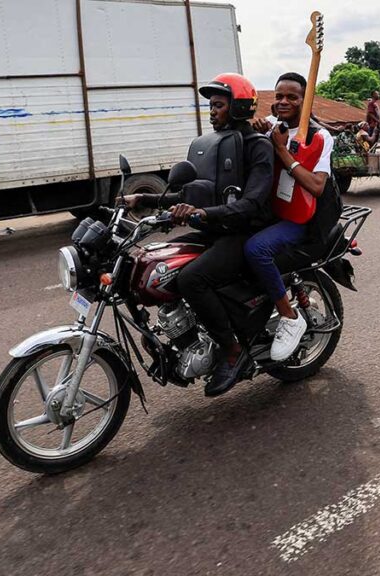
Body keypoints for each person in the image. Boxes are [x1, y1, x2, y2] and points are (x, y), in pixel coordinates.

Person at [122, 73, 274, 397]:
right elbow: (193, 196)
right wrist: (144, 201)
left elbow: (252, 202)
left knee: (193, 278)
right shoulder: (215, 146)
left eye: (219, 105)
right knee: (161, 263)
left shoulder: (257, 146)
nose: (212, 111)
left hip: (247, 232)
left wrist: (202, 214)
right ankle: (187, 337)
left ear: (239, 107)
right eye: (211, 105)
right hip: (217, 229)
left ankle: (232, 352)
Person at [246, 72, 334, 362]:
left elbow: (317, 186)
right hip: (270, 210)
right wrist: (256, 130)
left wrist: (282, 149)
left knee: (257, 250)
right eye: (279, 96)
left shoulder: (320, 137)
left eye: (292, 97)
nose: (284, 102)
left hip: (300, 219)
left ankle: (289, 315)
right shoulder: (270, 126)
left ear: (304, 101)